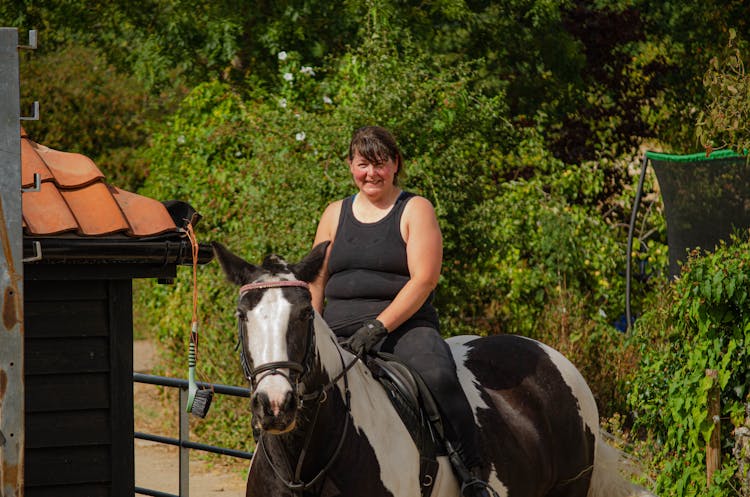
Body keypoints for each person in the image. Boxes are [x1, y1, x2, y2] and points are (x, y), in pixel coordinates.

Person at [310, 126, 492, 497]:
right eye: (363, 164)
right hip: (337, 329)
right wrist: (313, 328)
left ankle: (471, 471)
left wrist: (377, 328)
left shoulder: (415, 208)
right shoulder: (333, 213)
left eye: (380, 164)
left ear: (395, 165)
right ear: (350, 166)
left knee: (439, 376)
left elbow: (424, 280)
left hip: (404, 328)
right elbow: (315, 278)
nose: (371, 173)